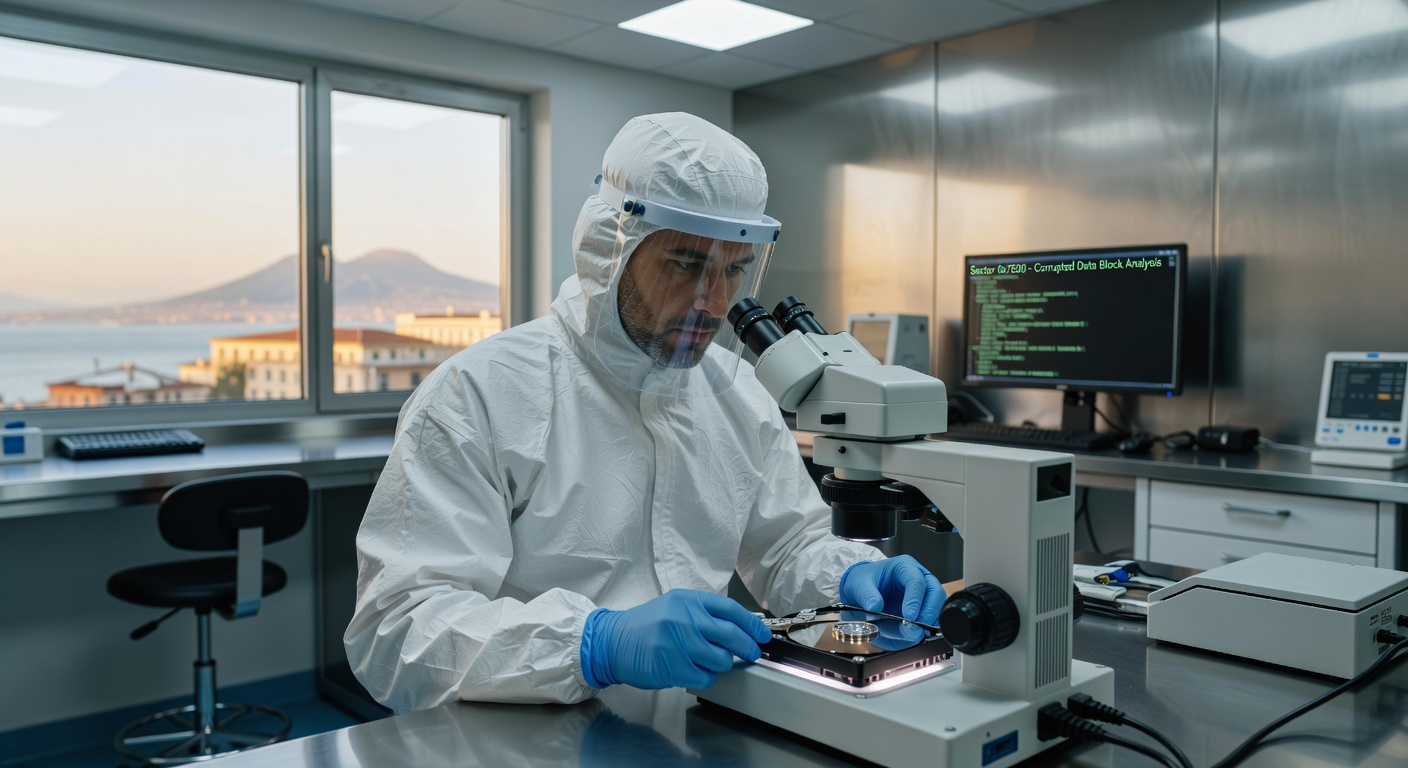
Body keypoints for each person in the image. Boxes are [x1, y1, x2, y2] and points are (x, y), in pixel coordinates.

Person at [345, 112, 945, 710]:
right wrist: (591, 644)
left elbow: (786, 545)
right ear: (612, 248)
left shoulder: (738, 395)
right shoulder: (478, 394)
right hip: (514, 733)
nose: (712, 302)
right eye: (686, 265)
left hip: (693, 725)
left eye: (734, 270)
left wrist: (844, 573)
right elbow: (396, 632)